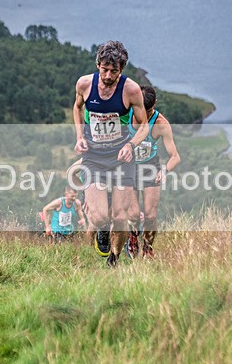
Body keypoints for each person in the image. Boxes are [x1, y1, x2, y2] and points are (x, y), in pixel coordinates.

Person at [73, 40, 148, 268]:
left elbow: (144, 125)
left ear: (121, 70)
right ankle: (102, 232)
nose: (107, 76)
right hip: (94, 157)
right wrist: (79, 136)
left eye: (114, 71)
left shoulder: (131, 90)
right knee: (99, 217)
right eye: (104, 69)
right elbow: (77, 108)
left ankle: (114, 258)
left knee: (120, 216)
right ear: (97, 65)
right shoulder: (85, 84)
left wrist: (131, 145)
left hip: (121, 158)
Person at [126, 85, 181, 259]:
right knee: (134, 214)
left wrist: (164, 171)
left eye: (147, 110)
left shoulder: (160, 124)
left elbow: (175, 156)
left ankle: (148, 247)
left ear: (155, 104)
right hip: (128, 168)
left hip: (150, 168)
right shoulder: (125, 115)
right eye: (140, 108)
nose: (143, 113)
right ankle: (133, 236)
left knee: (150, 215)